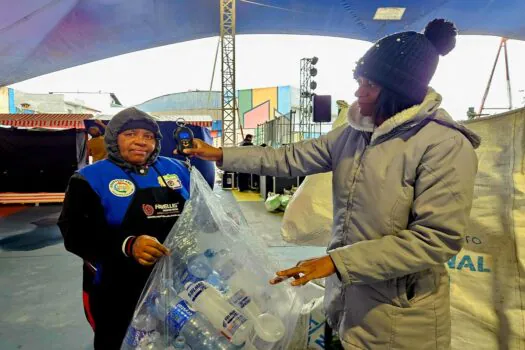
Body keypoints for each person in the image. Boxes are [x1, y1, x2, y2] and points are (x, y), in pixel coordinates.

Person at [180, 19, 480, 349]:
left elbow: (436, 239)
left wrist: (339, 262)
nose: (358, 92)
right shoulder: (354, 134)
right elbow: (288, 158)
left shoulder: (444, 145)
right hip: (346, 304)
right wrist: (221, 153)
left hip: (399, 320)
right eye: (359, 81)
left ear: (398, 90)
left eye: (369, 85)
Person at [58, 107, 191, 349]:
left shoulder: (178, 169)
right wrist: (129, 244)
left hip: (177, 282)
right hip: (116, 288)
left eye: (148, 136)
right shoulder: (90, 178)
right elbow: (74, 233)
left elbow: (198, 212)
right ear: (113, 138)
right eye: (131, 134)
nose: (141, 141)